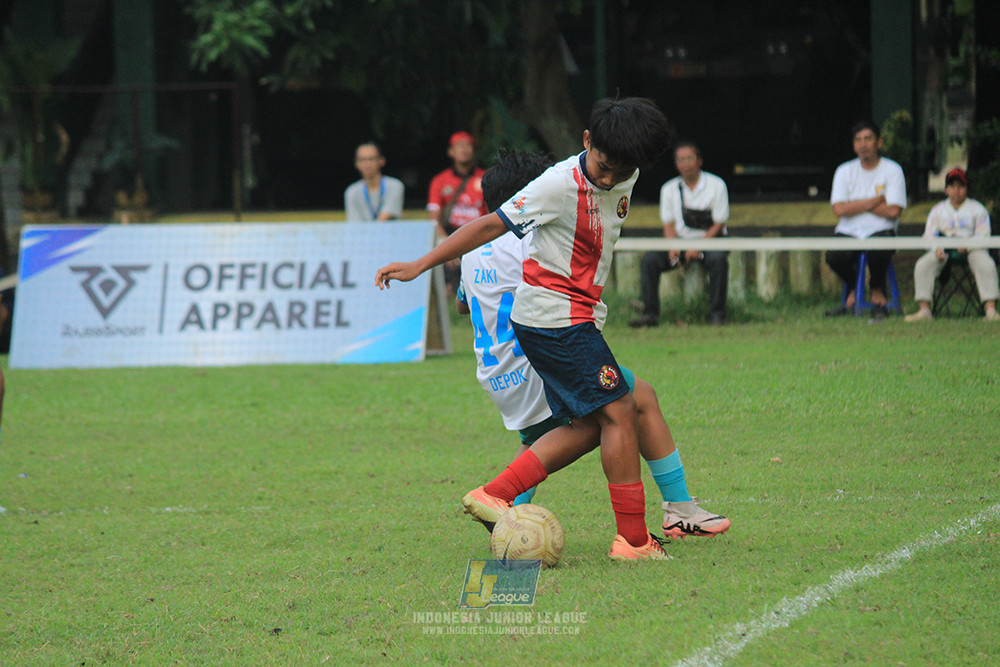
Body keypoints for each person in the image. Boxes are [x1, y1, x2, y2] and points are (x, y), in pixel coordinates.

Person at [377, 97, 674, 560]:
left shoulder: (624, 171)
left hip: (572, 316)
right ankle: (634, 540)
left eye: (622, 170)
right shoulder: (556, 185)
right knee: (620, 408)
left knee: (591, 422)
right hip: (554, 318)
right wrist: (421, 264)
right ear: (586, 141)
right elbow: (487, 227)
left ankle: (499, 495)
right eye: (604, 166)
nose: (610, 179)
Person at [457, 148, 730, 539]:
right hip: (538, 361)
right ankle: (677, 510)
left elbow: (463, 305)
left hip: (496, 371)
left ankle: (505, 512)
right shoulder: (532, 237)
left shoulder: (471, 249)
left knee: (541, 436)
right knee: (634, 402)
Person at [630, 141, 730, 327]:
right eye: (681, 159)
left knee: (718, 261)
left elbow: (719, 223)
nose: (686, 163)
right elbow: (668, 224)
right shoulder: (668, 189)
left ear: (699, 161)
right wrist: (673, 246)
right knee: (650, 260)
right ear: (676, 164)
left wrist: (698, 247)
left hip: (712, 241)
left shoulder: (717, 185)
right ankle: (650, 315)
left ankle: (717, 315)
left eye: (690, 158)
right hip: (681, 241)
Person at [825, 120, 907, 319]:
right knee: (833, 256)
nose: (863, 145)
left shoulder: (893, 170)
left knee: (880, 250)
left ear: (879, 142)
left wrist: (854, 205)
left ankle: (876, 289)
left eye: (868, 139)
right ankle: (854, 287)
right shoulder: (844, 171)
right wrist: (877, 200)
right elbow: (839, 209)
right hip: (848, 231)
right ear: (854, 145)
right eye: (858, 140)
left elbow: (894, 211)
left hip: (881, 229)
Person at [904, 168, 999, 322]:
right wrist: (936, 248)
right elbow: (929, 234)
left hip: (972, 249)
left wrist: (968, 246)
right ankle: (924, 310)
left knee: (986, 264)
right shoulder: (938, 210)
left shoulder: (978, 209)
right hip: (944, 249)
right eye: (952, 186)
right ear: (946, 189)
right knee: (923, 264)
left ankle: (990, 310)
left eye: (960, 186)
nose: (956, 191)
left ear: (966, 189)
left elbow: (983, 234)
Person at [427, 131, 489, 293]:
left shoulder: (486, 178)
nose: (464, 149)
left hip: (478, 234)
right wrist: (446, 247)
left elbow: (492, 215)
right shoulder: (439, 181)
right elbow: (434, 219)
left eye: (468, 145)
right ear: (451, 152)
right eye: (459, 146)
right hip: (451, 234)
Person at [343, 142, 405, 222]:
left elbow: (385, 218)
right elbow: (354, 223)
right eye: (362, 160)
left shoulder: (395, 186)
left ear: (381, 161)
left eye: (371, 159)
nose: (367, 164)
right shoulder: (352, 192)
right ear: (356, 164)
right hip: (362, 234)